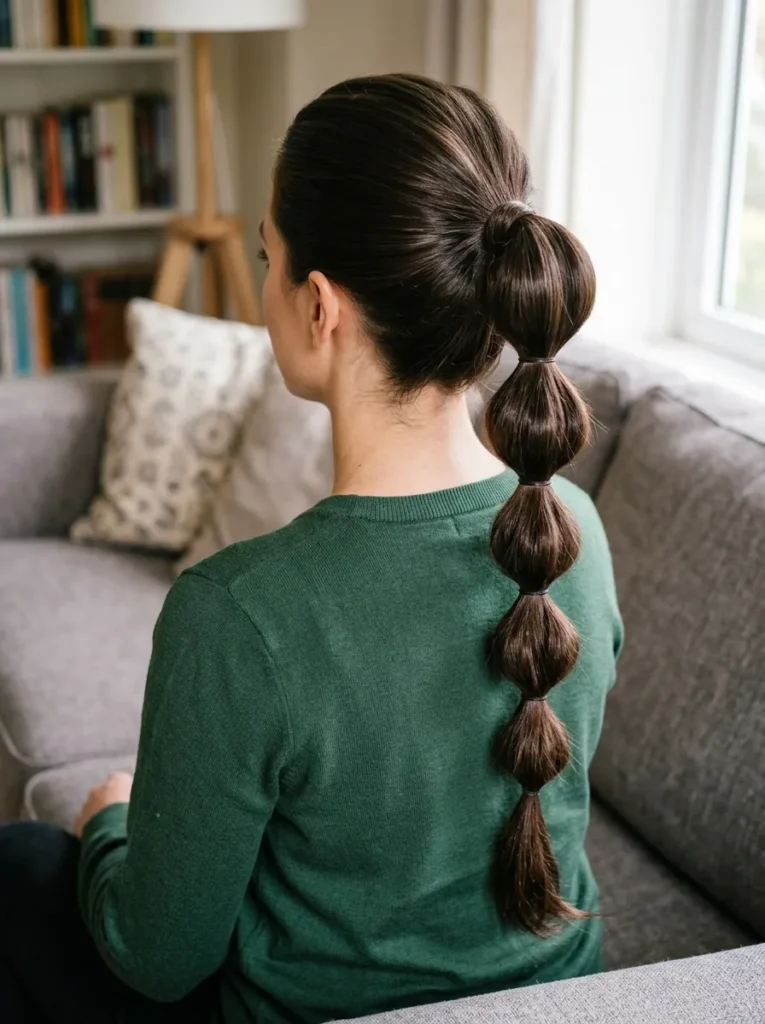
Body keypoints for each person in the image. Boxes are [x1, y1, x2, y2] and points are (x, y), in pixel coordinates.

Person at [0, 74, 623, 1024]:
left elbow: (158, 959)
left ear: (320, 305)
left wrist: (111, 822)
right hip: (564, 1003)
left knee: (20, 864)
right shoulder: (574, 527)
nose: (262, 286)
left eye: (266, 256)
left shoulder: (241, 612)